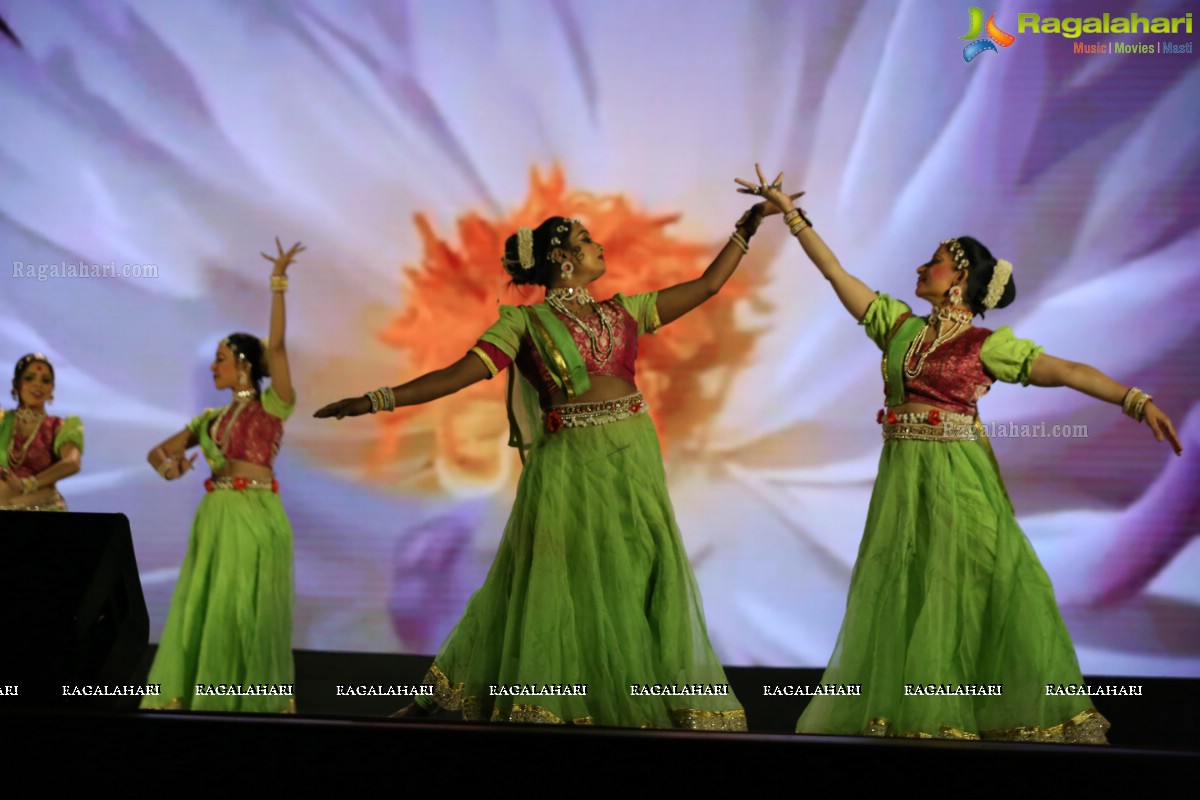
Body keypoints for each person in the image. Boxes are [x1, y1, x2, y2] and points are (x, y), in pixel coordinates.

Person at [738, 165, 1182, 743]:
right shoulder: (894, 325)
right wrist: (791, 218)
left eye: (936, 261)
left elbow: (1066, 369)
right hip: (905, 479)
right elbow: (833, 273)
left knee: (970, 586)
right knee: (911, 586)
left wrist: (1134, 399)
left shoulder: (987, 346)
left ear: (959, 282)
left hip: (960, 476)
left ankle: (974, 714)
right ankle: (918, 717)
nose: (922, 267)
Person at [313, 198, 797, 728]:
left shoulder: (623, 311)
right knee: (554, 580)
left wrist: (743, 232)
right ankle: (538, 701)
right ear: (563, 259)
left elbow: (706, 287)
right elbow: (459, 375)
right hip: (566, 467)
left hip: (630, 457)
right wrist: (377, 400)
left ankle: (625, 698)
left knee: (632, 572)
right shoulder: (523, 323)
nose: (599, 246)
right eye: (587, 240)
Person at [141, 239, 302, 713]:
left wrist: (278, 284)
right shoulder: (207, 420)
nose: (213, 366)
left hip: (257, 512)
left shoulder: (274, 406)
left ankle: (246, 706)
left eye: (221, 359)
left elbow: (277, 345)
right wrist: (173, 469)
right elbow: (158, 453)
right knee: (209, 604)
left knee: (245, 609)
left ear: (244, 365)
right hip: (216, 515)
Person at [0, 354, 83, 511]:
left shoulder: (59, 426)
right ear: (15, 384)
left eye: (45, 380)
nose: (37, 384)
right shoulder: (2, 420)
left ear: (52, 388)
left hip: (44, 517)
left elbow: (72, 462)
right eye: (30, 378)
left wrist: (28, 484)